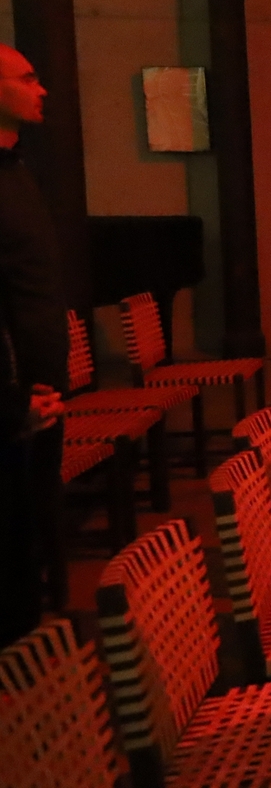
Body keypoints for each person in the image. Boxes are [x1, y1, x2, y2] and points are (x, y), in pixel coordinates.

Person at [0, 44, 68, 644]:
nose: (41, 89)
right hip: (12, 400)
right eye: (27, 78)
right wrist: (13, 402)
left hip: (40, 390)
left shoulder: (16, 168)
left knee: (31, 534)